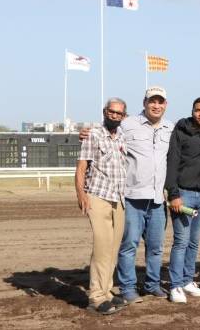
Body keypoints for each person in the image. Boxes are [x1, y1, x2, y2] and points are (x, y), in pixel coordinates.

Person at [115, 87, 173, 303]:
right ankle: (127, 288)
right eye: (152, 101)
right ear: (145, 102)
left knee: (156, 247)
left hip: (158, 199)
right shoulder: (127, 125)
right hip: (132, 197)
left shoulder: (171, 128)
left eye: (160, 102)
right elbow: (107, 133)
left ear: (165, 104)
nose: (156, 105)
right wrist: (87, 132)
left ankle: (152, 284)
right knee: (129, 245)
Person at [75, 97, 128, 315]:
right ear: (105, 112)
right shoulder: (94, 134)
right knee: (101, 247)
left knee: (113, 249)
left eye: (119, 113)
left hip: (119, 198)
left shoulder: (123, 136)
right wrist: (80, 193)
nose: (114, 115)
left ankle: (106, 292)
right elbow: (81, 166)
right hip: (98, 196)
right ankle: (95, 297)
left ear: (124, 116)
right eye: (111, 112)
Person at [165, 97, 200, 303]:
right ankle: (176, 285)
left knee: (194, 242)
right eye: (198, 110)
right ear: (193, 111)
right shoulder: (180, 131)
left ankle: (188, 280)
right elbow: (172, 163)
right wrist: (173, 193)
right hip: (183, 195)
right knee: (181, 241)